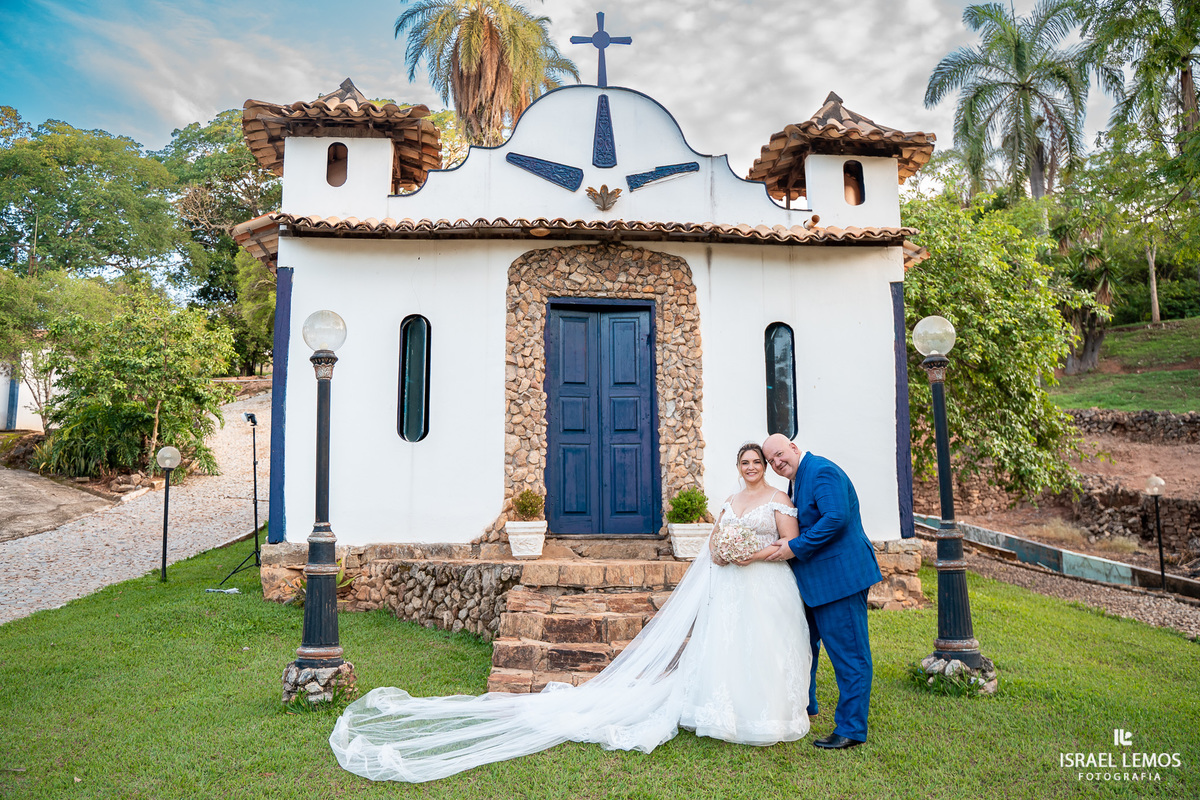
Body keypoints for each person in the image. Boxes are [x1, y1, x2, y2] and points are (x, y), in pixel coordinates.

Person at [329, 443, 811, 783]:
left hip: (764, 584)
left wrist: (753, 554)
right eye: (746, 461)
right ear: (739, 465)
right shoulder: (728, 501)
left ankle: (765, 714)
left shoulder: (779, 499)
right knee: (725, 645)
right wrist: (724, 552)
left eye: (758, 462)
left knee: (763, 647)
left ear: (769, 466)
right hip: (729, 583)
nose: (752, 467)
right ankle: (721, 713)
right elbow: (714, 542)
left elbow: (789, 543)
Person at [761, 433, 882, 750]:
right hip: (814, 584)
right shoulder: (798, 479)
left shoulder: (821, 470)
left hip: (839, 580)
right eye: (771, 460)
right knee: (804, 648)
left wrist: (794, 547)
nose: (776, 462)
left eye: (779, 454)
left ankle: (852, 729)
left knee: (850, 656)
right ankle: (806, 707)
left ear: (793, 447)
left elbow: (836, 518)